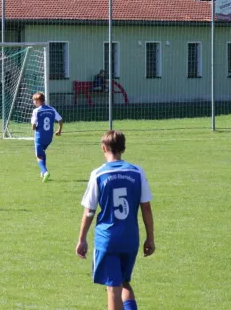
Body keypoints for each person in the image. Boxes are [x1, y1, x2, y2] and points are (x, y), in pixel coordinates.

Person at [76, 130, 155, 310]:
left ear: (103, 148)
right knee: (124, 282)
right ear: (123, 148)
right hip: (130, 238)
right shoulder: (137, 172)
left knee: (113, 288)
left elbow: (89, 211)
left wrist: (82, 239)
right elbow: (146, 208)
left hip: (108, 239)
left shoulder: (98, 174)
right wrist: (150, 237)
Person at [31, 91, 63, 182]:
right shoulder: (52, 109)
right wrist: (59, 130)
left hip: (39, 136)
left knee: (38, 155)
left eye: (34, 100)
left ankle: (45, 172)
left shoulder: (36, 111)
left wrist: (35, 127)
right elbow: (60, 120)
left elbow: (33, 126)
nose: (33, 102)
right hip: (49, 137)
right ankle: (42, 171)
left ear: (38, 101)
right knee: (42, 152)